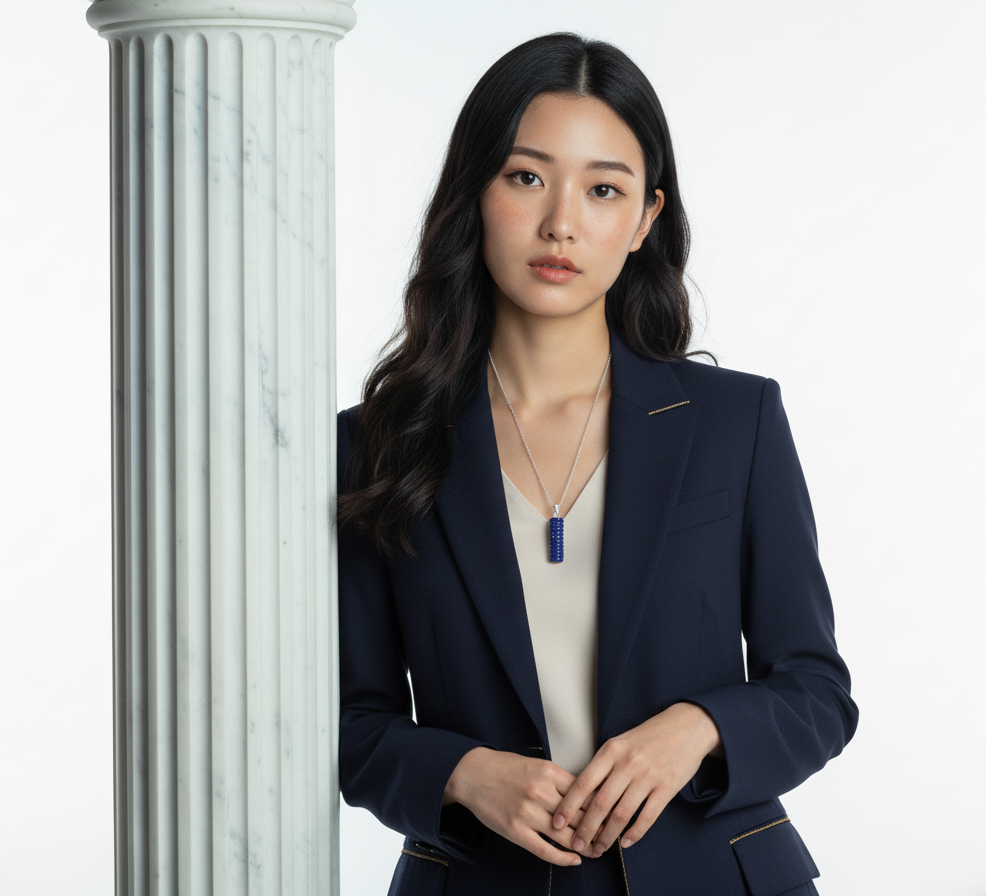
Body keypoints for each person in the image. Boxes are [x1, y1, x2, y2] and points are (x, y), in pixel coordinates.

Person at [336, 32, 857, 896]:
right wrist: (462, 772)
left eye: (603, 189)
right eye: (526, 176)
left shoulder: (736, 422)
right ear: (475, 191)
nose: (561, 223)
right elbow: (349, 723)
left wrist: (698, 727)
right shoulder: (376, 444)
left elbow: (816, 692)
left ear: (645, 218)